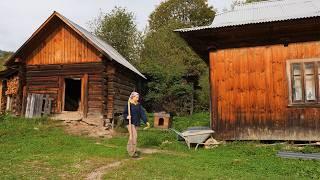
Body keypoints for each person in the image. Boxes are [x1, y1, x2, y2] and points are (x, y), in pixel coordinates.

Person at [123, 92, 150, 157]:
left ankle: (131, 149)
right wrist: (127, 116)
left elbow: (142, 114)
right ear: (133, 97)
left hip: (136, 123)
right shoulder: (129, 104)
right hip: (130, 123)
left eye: (138, 97)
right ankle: (132, 152)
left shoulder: (138, 105)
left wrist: (146, 121)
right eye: (136, 97)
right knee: (134, 136)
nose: (138, 99)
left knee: (132, 137)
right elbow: (124, 113)